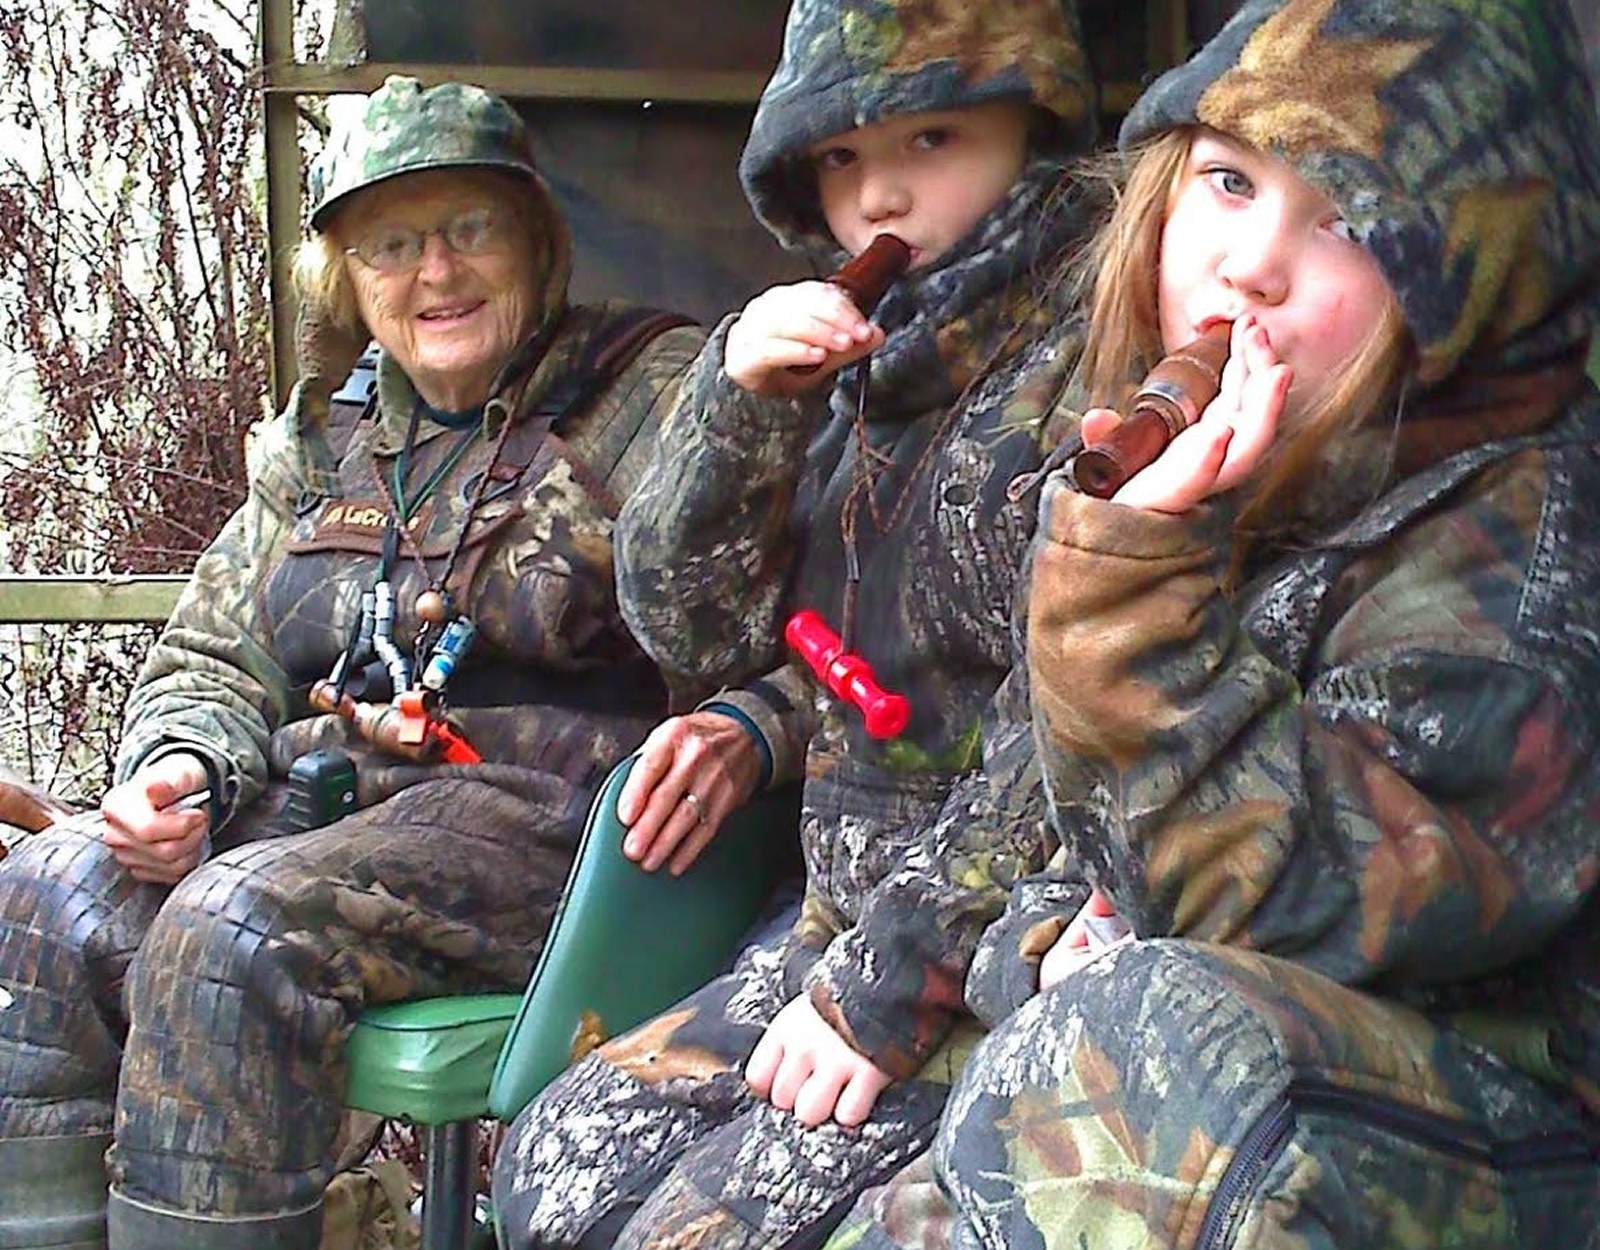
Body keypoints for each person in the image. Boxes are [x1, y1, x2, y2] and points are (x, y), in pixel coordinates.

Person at [830, 0, 1600, 1245]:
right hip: (1173, 1076)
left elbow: (1304, 908)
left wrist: (1125, 588)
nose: (1251, 265)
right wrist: (1031, 946)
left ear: (1469, 279)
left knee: (1125, 1062)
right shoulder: (1252, 447)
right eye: (1230, 182)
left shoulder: (1522, 540)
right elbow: (1050, 823)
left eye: (1347, 220)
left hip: (1463, 1135)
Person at [0, 75, 704, 1250]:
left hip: (559, 830)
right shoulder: (322, 442)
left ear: (536, 236)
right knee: (42, 898)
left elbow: (727, 623)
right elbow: (214, 650)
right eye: (390, 242)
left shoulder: (652, 391)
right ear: (347, 278)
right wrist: (184, 769)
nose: (435, 272)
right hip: (333, 809)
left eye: (469, 227)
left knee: (234, 932)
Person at [489, 1, 1101, 1246]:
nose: (879, 194)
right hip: (830, 908)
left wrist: (884, 987)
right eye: (840, 158)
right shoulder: (855, 352)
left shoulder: (1099, 350)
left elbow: (1076, 717)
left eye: (932, 141)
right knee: (555, 1163)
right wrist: (738, 410)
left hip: (1000, 947)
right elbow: (694, 629)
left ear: (1029, 129)